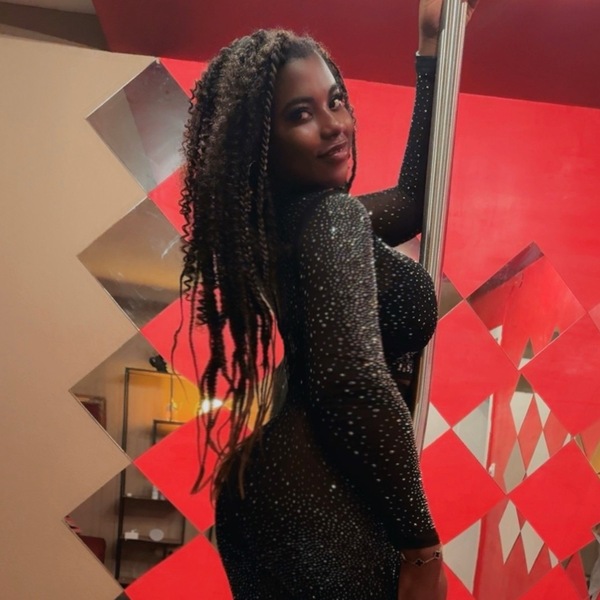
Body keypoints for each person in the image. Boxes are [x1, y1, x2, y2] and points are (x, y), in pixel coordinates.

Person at [178, 1, 476, 597]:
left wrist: (430, 53)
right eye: (301, 114)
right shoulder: (329, 219)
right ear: (263, 142)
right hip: (315, 495)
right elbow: (351, 382)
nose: (334, 123)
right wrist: (422, 551)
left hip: (277, 490)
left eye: (336, 100)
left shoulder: (288, 225)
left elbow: (414, 201)